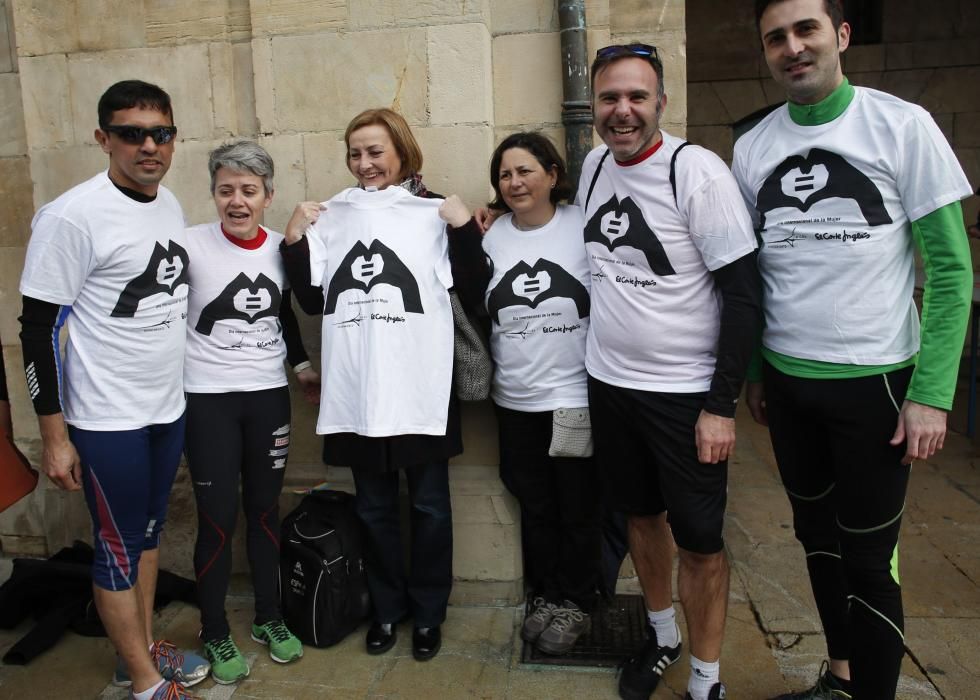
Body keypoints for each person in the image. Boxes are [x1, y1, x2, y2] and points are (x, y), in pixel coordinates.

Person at [732, 2, 974, 698]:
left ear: (840, 36)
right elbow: (752, 271)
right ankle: (840, 678)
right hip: (787, 381)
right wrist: (754, 371)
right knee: (816, 540)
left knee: (869, 560)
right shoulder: (753, 146)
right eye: (776, 37)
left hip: (877, 384)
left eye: (806, 30)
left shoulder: (902, 126)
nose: (792, 47)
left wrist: (931, 393)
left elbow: (950, 269)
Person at [580, 45, 762, 700]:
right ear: (595, 105)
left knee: (702, 542)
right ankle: (662, 638)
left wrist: (721, 404)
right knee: (639, 516)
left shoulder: (698, 173)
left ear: (661, 102)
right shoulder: (595, 165)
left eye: (636, 97)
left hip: (685, 396)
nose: (621, 111)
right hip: (610, 383)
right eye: (609, 98)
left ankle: (707, 681)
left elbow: (743, 295)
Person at [18, 80, 208, 700]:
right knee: (117, 549)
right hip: (107, 419)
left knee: (148, 535)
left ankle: (139, 654)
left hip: (165, 407)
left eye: (161, 133)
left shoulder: (168, 201)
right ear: (104, 139)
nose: (148, 146)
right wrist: (55, 437)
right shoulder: (72, 216)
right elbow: (38, 330)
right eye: (131, 133)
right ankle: (146, 684)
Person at [281, 107, 480, 662]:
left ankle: (429, 614)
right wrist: (296, 239)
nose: (365, 164)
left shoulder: (429, 212)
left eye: (375, 152)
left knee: (431, 508)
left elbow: (472, 283)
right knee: (372, 509)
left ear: (401, 153)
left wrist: (460, 226)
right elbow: (311, 299)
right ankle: (387, 609)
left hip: (419, 388)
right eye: (355, 153)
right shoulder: (332, 216)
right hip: (359, 389)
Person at [446, 132, 602, 654]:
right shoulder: (492, 237)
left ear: (553, 175)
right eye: (505, 175)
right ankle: (546, 593)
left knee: (577, 503)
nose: (514, 183)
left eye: (525, 171)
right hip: (514, 398)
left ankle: (577, 599)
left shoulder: (582, 226)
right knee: (533, 501)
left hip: (572, 398)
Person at [183, 140, 319, 683]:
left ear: (267, 196)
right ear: (214, 193)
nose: (236, 202)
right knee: (216, 521)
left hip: (268, 398)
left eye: (248, 191)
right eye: (225, 190)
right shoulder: (189, 245)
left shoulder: (278, 252)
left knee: (265, 511)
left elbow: (283, 315)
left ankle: (268, 617)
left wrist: (302, 364)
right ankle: (214, 629)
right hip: (208, 402)